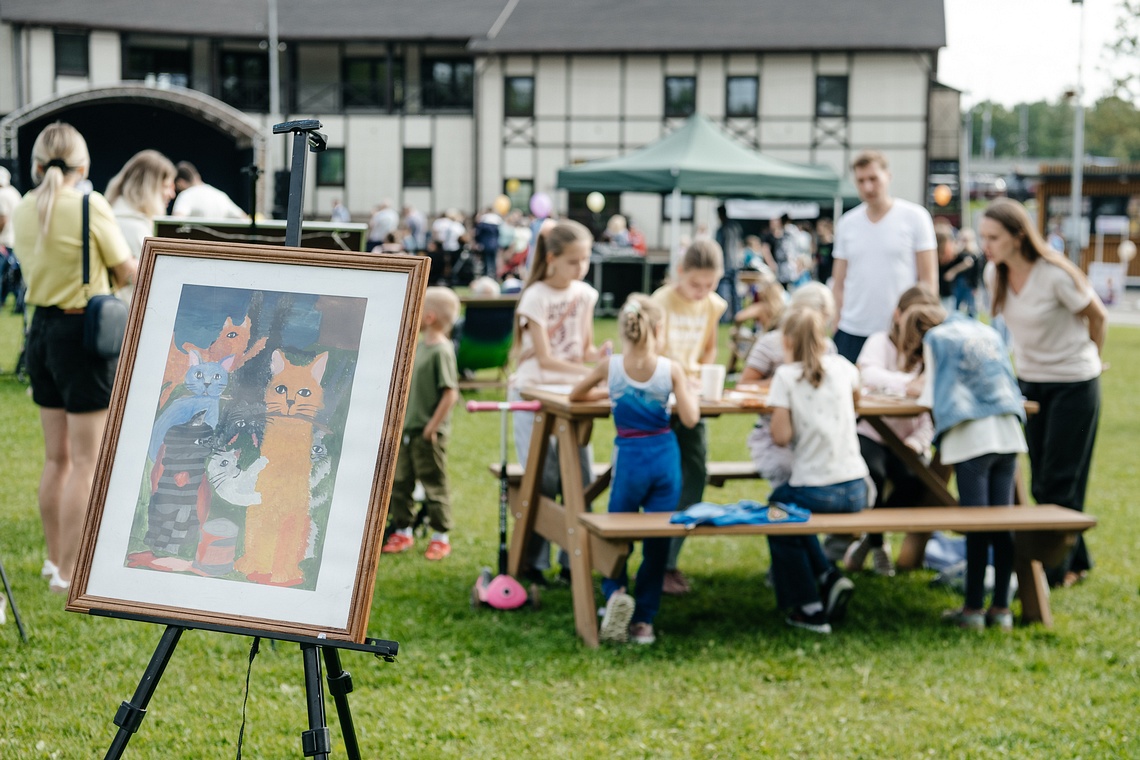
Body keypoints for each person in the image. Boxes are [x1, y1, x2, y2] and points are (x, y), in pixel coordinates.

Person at [13, 122, 136, 593]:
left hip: (40, 332)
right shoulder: (89, 204)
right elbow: (127, 271)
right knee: (86, 460)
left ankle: (52, 560)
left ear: (37, 164)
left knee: (56, 458)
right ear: (82, 164)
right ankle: (69, 572)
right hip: (82, 332)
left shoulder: (25, 207)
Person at [981, 197, 1106, 588]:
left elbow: (1097, 316)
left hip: (1073, 382)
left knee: (1060, 480)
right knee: (1039, 482)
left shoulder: (1054, 274)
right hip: (1029, 381)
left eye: (994, 237)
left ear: (1019, 237)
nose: (987, 245)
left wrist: (1092, 360)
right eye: (983, 237)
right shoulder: (993, 274)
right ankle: (1076, 559)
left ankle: (1053, 574)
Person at [569, 294, 699, 644]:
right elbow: (690, 417)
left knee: (616, 530)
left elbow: (575, 396)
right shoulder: (670, 369)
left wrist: (611, 397)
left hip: (629, 459)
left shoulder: (610, 368)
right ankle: (644, 621)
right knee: (658, 539)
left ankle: (614, 594)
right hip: (663, 459)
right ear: (658, 328)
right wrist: (686, 388)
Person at [911, 310, 1027, 630]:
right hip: (1008, 432)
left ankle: (973, 608)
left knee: (976, 525)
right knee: (1001, 523)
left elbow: (927, 394)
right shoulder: (986, 331)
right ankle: (1001, 608)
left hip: (972, 438)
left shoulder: (937, 339)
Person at [509, 219, 609, 583]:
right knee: (543, 477)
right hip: (533, 389)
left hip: (569, 391)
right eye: (573, 261)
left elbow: (584, 349)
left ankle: (575, 563)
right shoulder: (535, 296)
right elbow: (547, 359)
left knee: (581, 476)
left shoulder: (585, 294)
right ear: (551, 258)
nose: (580, 268)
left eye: (585, 260)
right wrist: (591, 374)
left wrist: (603, 356)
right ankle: (533, 564)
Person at [766, 303, 867, 634]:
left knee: (778, 511)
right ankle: (826, 574)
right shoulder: (844, 367)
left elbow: (780, 438)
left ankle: (809, 607)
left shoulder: (786, 376)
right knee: (791, 510)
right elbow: (856, 405)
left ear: (789, 341)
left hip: (816, 487)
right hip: (856, 487)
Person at [843, 286, 942, 576]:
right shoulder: (879, 342)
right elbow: (866, 373)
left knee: (918, 482)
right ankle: (877, 542)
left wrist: (919, 441)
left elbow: (929, 410)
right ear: (898, 315)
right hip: (872, 432)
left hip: (909, 437)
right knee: (872, 473)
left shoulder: (931, 350)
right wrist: (906, 384)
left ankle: (871, 537)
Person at [650, 240, 727, 595]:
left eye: (710, 285)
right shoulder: (660, 302)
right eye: (696, 284)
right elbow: (648, 350)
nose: (702, 292)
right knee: (661, 479)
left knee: (695, 472)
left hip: (693, 398)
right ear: (680, 273)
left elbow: (709, 346)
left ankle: (669, 560)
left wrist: (700, 374)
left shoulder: (713, 305)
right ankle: (655, 561)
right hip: (660, 398)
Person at [831, 150, 937, 362]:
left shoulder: (915, 217)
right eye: (861, 181)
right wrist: (837, 321)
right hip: (852, 328)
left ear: (888, 176)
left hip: (898, 330)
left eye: (873, 179)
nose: (867, 187)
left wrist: (922, 325)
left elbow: (928, 281)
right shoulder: (847, 223)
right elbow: (839, 281)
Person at [381, 287, 461, 560]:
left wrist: (432, 427)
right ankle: (403, 530)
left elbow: (451, 394)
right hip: (406, 431)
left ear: (428, 317)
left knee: (433, 481)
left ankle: (440, 536)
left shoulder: (441, 351)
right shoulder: (416, 346)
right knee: (400, 481)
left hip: (427, 434)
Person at [740, 282, 834, 489]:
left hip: (815, 429)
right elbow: (744, 385)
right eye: (820, 317)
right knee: (789, 469)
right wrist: (784, 383)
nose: (822, 326)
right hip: (774, 430)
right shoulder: (771, 343)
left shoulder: (827, 347)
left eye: (826, 319)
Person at [105, 149, 177, 260]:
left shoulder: (115, 212)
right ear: (148, 187)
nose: (172, 194)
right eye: (166, 186)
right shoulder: (136, 229)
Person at [171, 161, 246, 219]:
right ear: (197, 176)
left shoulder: (185, 195)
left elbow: (176, 221)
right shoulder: (220, 195)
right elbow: (243, 218)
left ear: (180, 183)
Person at [0, 166, 25, 313]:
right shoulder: (14, 192)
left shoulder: (2, 194)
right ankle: (18, 302)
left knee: (4, 275)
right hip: (16, 239)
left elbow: (2, 219)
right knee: (14, 275)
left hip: (4, 241)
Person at [715, 204, 743, 322]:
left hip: (725, 264)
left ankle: (724, 317)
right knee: (736, 292)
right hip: (737, 264)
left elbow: (717, 247)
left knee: (723, 291)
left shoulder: (722, 229)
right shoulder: (736, 227)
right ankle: (738, 315)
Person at [473, 207, 502, 280]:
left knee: (486, 261)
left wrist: (477, 242)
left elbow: (478, 234)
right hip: (494, 244)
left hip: (485, 244)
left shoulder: (483, 222)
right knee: (493, 261)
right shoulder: (497, 222)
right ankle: (494, 276)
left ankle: (486, 277)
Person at [814, 217, 835, 285]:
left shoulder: (833, 244)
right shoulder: (819, 243)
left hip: (830, 276)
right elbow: (818, 258)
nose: (818, 229)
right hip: (820, 275)